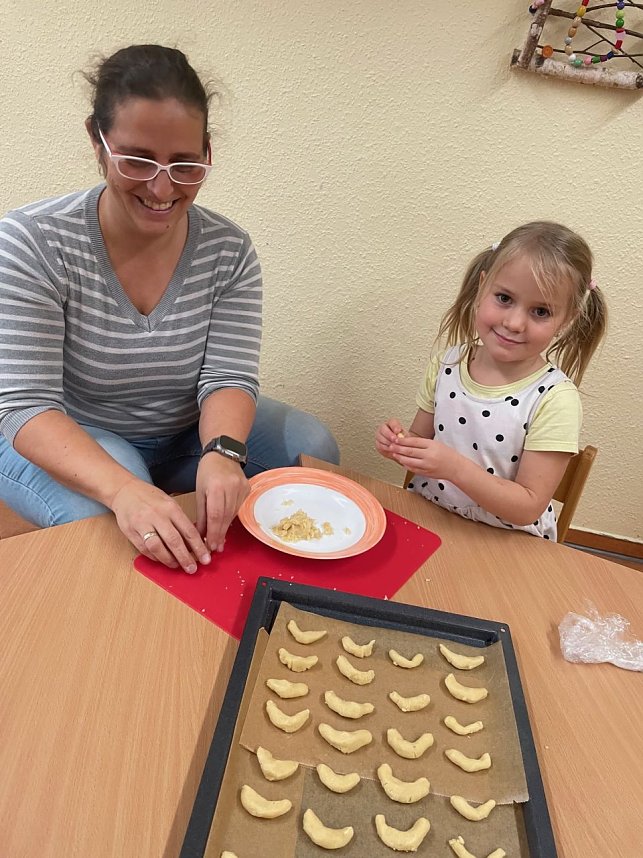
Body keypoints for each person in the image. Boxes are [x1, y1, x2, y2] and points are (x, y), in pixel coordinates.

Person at [0, 44, 339, 572]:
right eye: (137, 160)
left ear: (207, 152)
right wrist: (124, 489)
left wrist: (223, 451)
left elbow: (229, 375)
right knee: (112, 521)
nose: (162, 188)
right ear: (97, 141)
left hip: (182, 429)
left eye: (185, 164)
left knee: (312, 446)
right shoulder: (32, 242)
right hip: (74, 429)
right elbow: (27, 407)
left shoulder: (228, 250)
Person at [376, 221, 607, 540]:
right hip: (431, 519)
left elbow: (528, 506)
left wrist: (454, 467)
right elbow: (420, 440)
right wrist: (399, 443)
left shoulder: (555, 399)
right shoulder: (447, 364)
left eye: (540, 311)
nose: (514, 323)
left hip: (508, 541)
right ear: (482, 286)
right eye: (504, 298)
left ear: (567, 319)